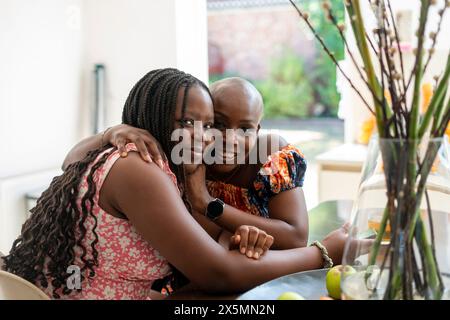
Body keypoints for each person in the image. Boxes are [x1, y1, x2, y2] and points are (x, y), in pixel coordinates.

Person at [3, 68, 365, 300]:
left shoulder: (160, 164)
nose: (207, 137)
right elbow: (218, 272)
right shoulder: (139, 168)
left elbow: (207, 241)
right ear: (153, 118)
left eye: (207, 125)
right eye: (190, 122)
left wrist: (228, 234)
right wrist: (325, 251)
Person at [63, 77, 309, 254]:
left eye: (245, 129)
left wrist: (206, 203)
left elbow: (296, 237)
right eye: (219, 124)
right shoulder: (189, 153)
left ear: (257, 131)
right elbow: (70, 162)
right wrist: (111, 132)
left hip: (261, 268)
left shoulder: (270, 155)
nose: (230, 140)